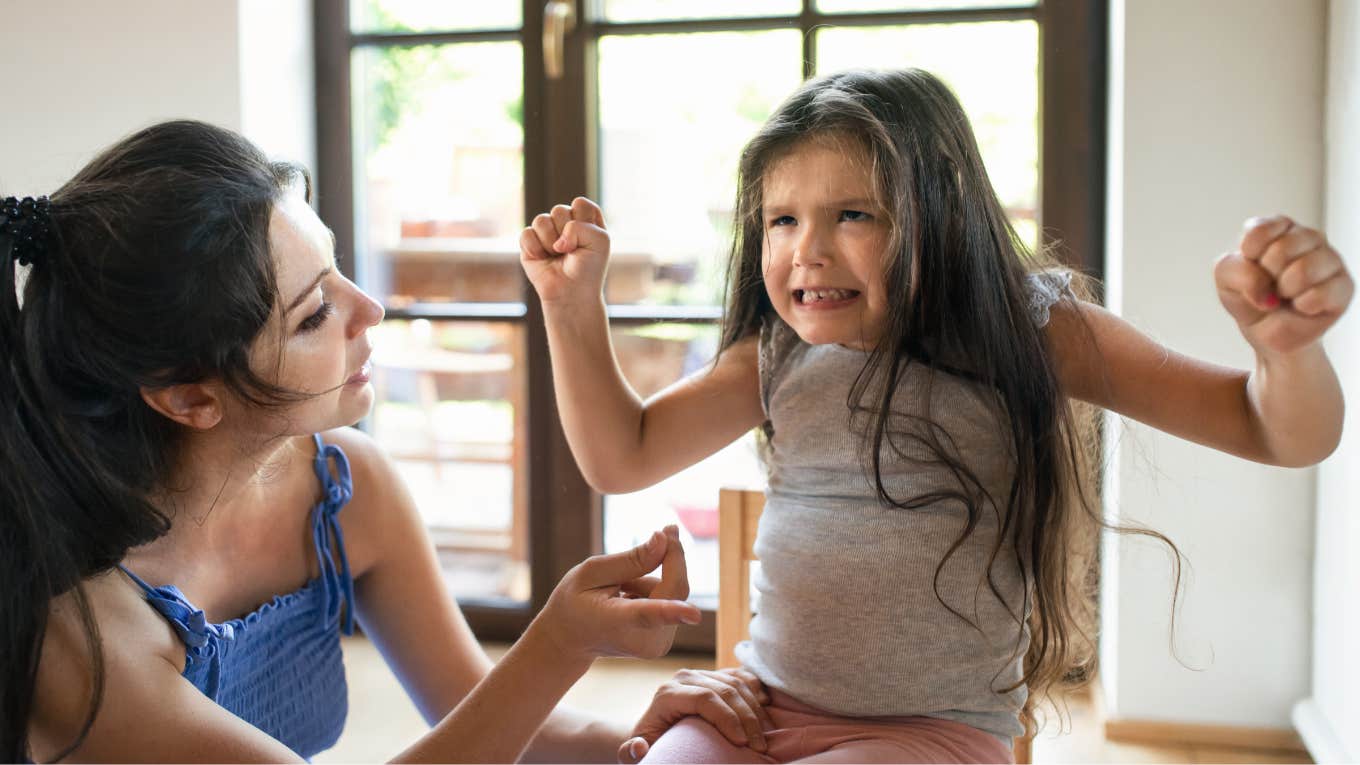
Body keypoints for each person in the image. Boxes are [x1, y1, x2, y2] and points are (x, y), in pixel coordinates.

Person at [519, 68, 1352, 763]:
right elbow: (620, 456)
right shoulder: (779, 355)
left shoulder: (1031, 330)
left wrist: (1285, 351)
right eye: (782, 219)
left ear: (939, 214)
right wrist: (569, 306)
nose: (807, 247)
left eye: (853, 214)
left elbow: (1273, 429)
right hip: (755, 709)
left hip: (929, 735)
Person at [0, 120, 774, 763]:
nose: (368, 307)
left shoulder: (342, 488)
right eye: (312, 314)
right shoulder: (82, 631)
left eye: (337, 267)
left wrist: (654, 737)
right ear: (190, 396)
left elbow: (501, 722)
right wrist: (561, 642)